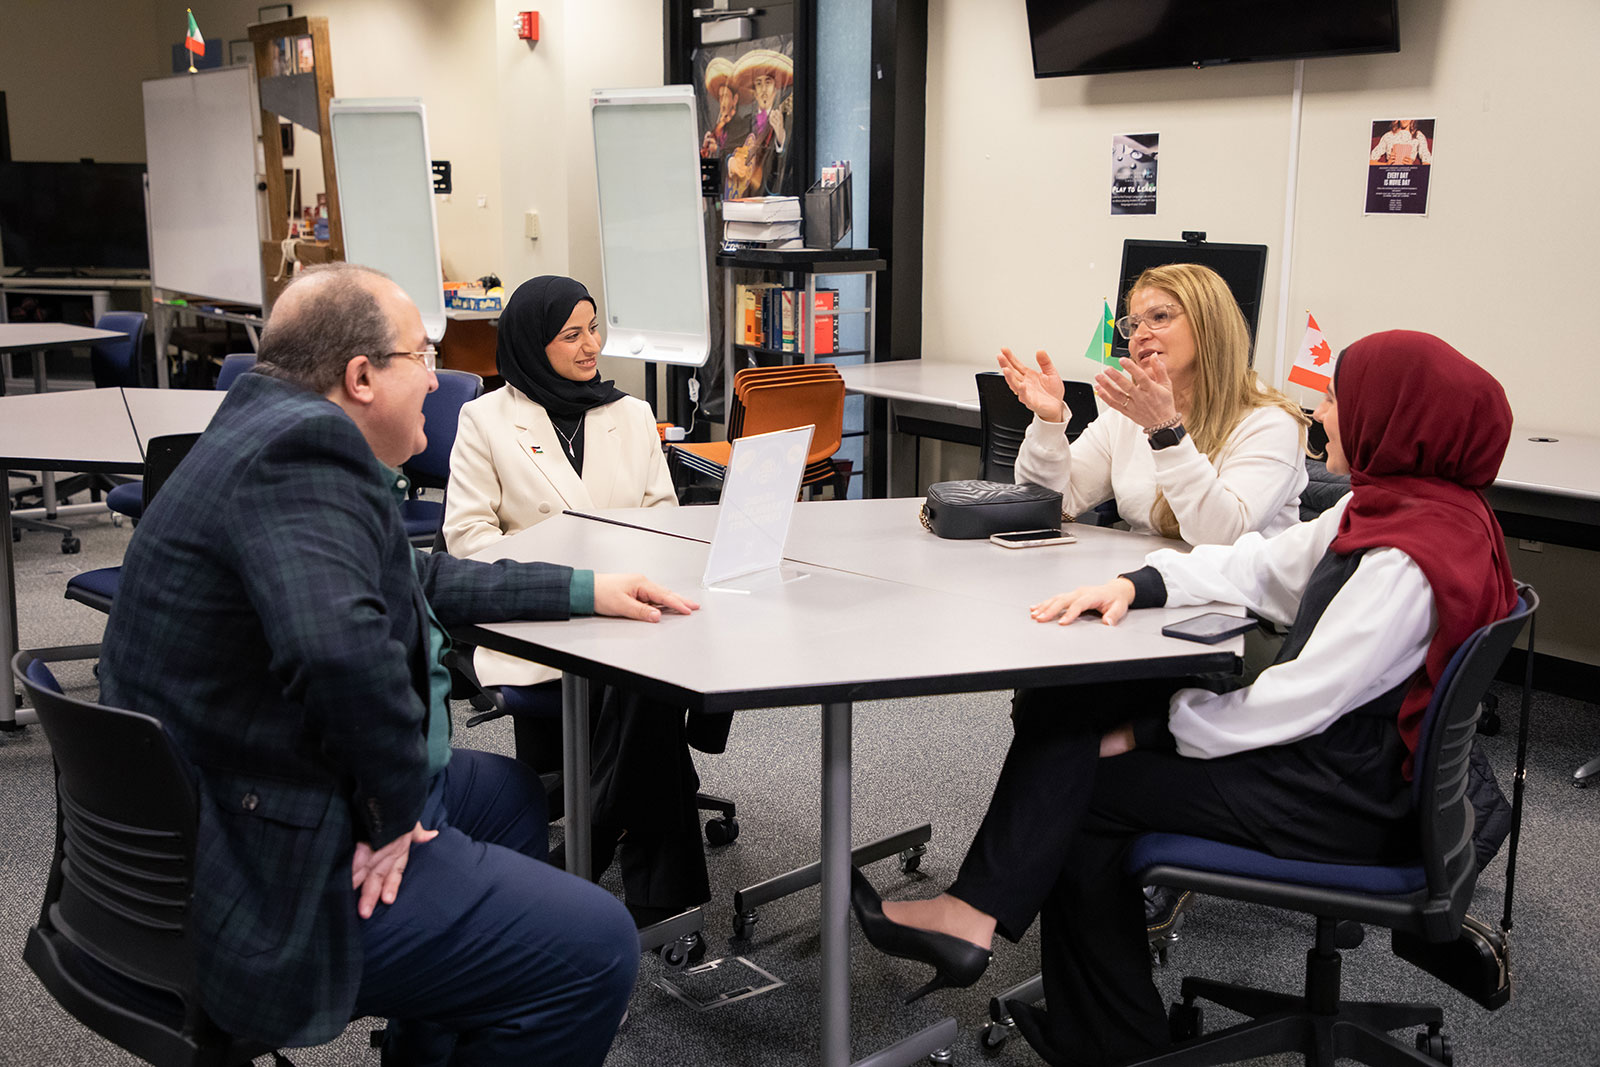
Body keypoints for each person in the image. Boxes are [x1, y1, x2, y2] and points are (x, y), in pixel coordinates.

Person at [851, 331, 1518, 1066]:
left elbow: (1296, 701)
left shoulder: (1404, 559)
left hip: (1349, 800)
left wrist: (1151, 731)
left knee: (1086, 791)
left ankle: (1089, 1023)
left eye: (1338, 398)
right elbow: (1261, 565)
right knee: (1074, 741)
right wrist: (1138, 584)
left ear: (1397, 420)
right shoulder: (1410, 511)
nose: (1323, 411)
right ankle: (1024, 963)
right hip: (1363, 769)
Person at [98, 263, 699, 1066]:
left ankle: (438, 1031)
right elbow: (340, 658)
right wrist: (389, 815)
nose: (439, 378)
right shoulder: (304, 462)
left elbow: (427, 576)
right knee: (599, 946)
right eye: (423, 355)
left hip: (207, 808)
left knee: (512, 797)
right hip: (268, 866)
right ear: (359, 377)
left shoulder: (260, 431)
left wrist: (586, 588)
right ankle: (510, 976)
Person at [443, 274, 714, 935]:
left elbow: (663, 516)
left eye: (595, 327)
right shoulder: (486, 419)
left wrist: (627, 574)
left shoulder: (629, 413)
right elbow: (468, 542)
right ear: (535, 342)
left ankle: (596, 843)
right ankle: (645, 885)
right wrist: (580, 580)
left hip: (629, 605)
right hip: (536, 616)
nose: (590, 344)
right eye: (571, 333)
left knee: (651, 667)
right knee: (647, 689)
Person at [998, 262, 1308, 545]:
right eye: (1133, 325)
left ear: (1209, 326)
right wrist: (1050, 423)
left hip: (1236, 601)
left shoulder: (1271, 422)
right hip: (1146, 588)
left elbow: (1222, 538)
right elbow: (1050, 505)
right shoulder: (1131, 413)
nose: (1140, 336)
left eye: (1159, 317)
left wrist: (1165, 431)